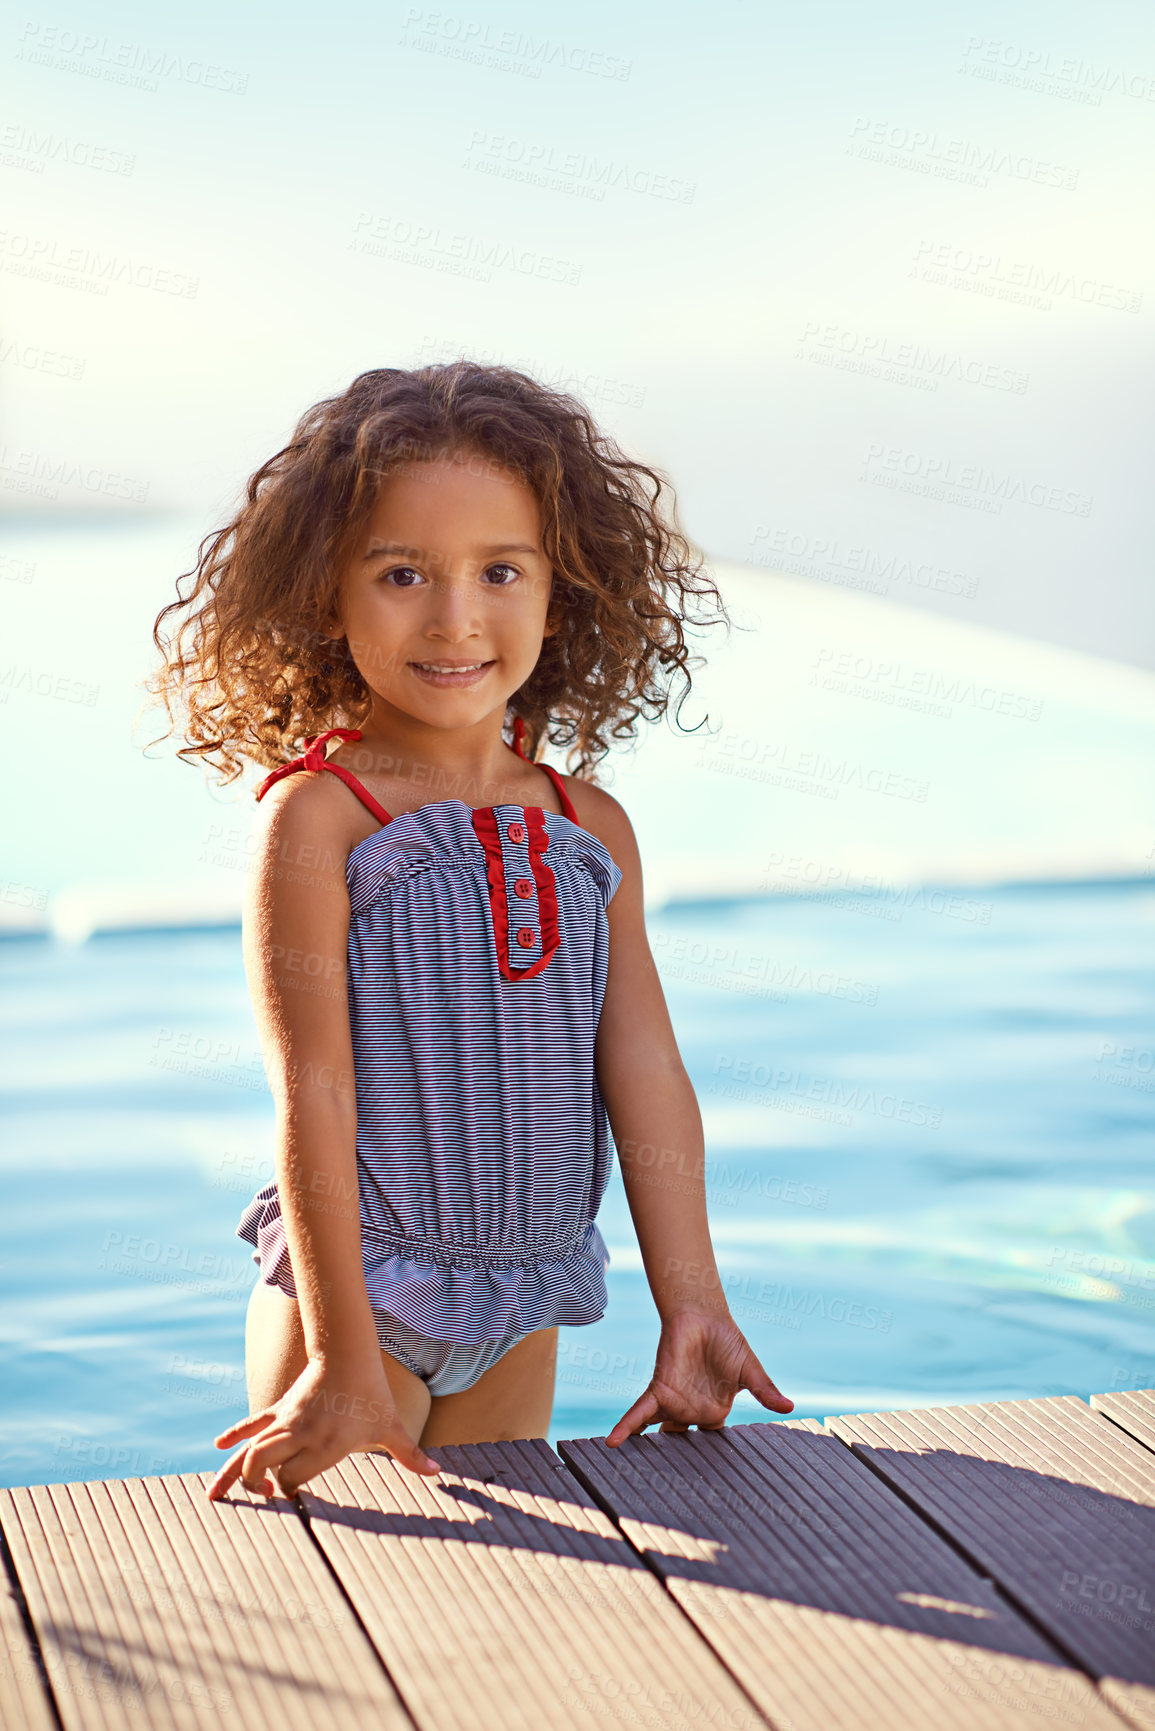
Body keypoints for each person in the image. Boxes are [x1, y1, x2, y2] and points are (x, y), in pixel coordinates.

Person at [149, 361, 793, 1501]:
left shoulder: (590, 827)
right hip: (357, 1309)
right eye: (401, 574)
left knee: (495, 1602)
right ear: (324, 596)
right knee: (348, 1600)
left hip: (522, 1301)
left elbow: (644, 1070)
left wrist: (693, 1299)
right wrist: (346, 1360)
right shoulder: (323, 820)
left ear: (566, 591)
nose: (455, 618)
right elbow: (315, 1090)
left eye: (501, 570)